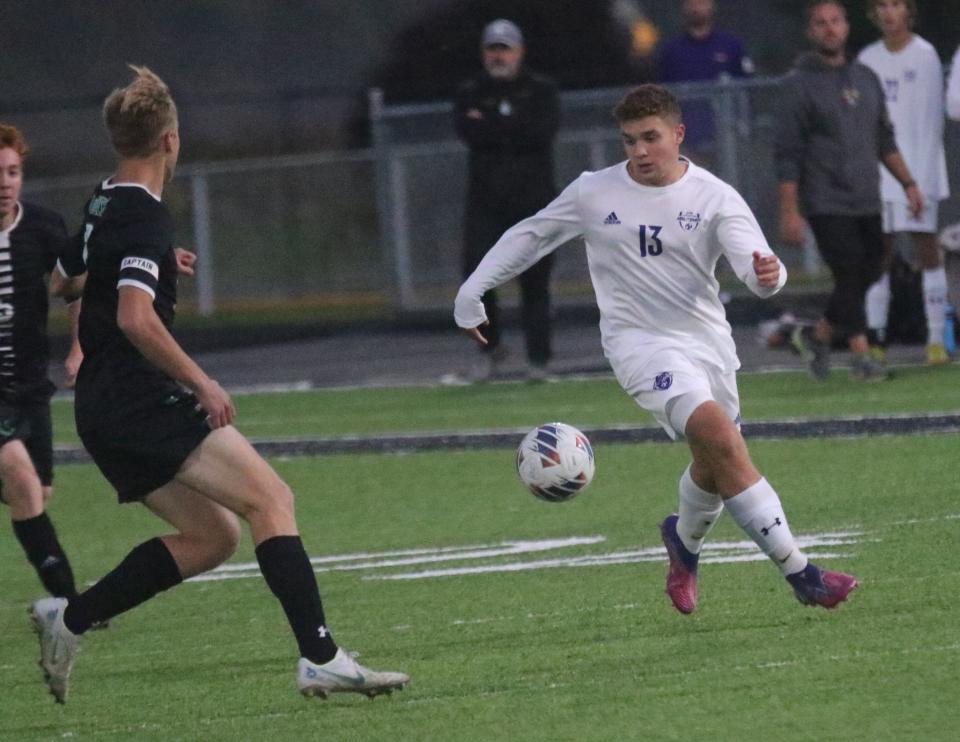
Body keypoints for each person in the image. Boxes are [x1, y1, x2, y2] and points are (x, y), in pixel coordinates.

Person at [31, 66, 408, 704]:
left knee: (213, 538)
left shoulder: (103, 197)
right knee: (271, 499)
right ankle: (320, 657)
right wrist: (202, 381)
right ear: (171, 141)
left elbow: (62, 280)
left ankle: (67, 619)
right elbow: (134, 317)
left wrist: (142, 268)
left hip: (101, 408)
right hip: (139, 399)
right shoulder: (144, 216)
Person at [455, 83, 859, 618]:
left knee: (714, 465)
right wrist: (473, 288)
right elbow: (531, 236)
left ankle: (683, 544)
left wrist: (770, 275)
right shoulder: (593, 192)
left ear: (678, 135)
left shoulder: (715, 197)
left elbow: (760, 272)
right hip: (638, 345)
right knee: (720, 439)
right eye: (629, 141)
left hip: (707, 344)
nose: (640, 151)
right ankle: (802, 574)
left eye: (651, 138)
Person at [776, 0, 924, 381]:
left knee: (871, 268)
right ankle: (862, 357)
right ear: (811, 32)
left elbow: (884, 139)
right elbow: (788, 152)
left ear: (846, 27)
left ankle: (817, 334)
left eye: (835, 21)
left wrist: (909, 184)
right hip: (826, 198)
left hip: (866, 196)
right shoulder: (798, 84)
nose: (829, 29)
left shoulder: (865, 77)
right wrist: (790, 209)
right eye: (820, 23)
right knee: (848, 271)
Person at [0, 123, 83, 606]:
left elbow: (78, 285)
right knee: (21, 477)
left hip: (31, 387)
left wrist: (78, 347)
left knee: (36, 495)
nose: (5, 182)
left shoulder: (44, 227)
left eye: (13, 172)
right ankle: (72, 604)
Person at [453, 18, 560, 381]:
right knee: (476, 276)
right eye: (492, 49)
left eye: (505, 48)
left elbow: (540, 132)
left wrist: (494, 126)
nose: (498, 56)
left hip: (533, 202)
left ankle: (539, 359)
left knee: (535, 280)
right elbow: (469, 133)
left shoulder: (541, 90)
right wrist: (510, 126)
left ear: (519, 51)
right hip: (485, 202)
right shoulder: (470, 91)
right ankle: (490, 347)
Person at [858, 0, 950, 365]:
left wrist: (919, 181)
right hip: (880, 172)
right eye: (882, 5)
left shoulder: (925, 55)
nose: (888, 12)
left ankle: (935, 339)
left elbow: (931, 123)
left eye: (895, 4)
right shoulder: (867, 58)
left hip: (917, 172)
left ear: (908, 11)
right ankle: (877, 337)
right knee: (877, 255)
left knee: (927, 251)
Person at [655, 0, 753, 156]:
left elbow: (747, 89)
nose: (697, 8)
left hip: (726, 139)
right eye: (692, 3)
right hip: (684, 140)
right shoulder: (671, 51)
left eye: (702, 3)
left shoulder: (731, 46)